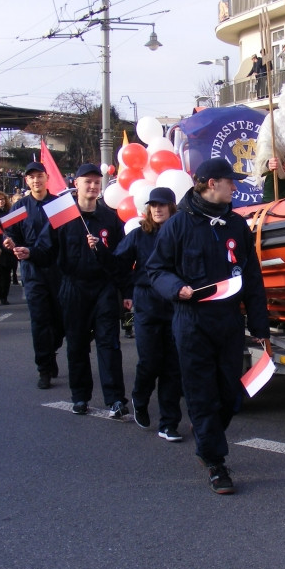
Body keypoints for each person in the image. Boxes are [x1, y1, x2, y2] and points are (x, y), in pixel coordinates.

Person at [147, 157, 271, 495]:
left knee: (230, 394)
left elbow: (253, 278)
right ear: (211, 183)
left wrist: (260, 324)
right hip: (193, 322)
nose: (235, 186)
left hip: (229, 320)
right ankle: (215, 462)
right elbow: (156, 270)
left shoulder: (236, 226)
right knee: (202, 393)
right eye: (230, 181)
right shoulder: (179, 225)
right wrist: (177, 288)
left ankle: (208, 438)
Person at [47, 163, 128, 416]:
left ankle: (115, 399)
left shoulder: (109, 217)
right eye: (87, 182)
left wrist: (126, 292)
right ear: (77, 185)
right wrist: (27, 252)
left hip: (103, 287)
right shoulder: (63, 216)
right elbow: (45, 248)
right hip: (74, 286)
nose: (92, 187)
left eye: (96, 182)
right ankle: (80, 396)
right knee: (77, 344)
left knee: (109, 343)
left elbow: (121, 256)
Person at [114, 186, 183, 440]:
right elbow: (118, 262)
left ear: (172, 207)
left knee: (173, 366)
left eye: (162, 204)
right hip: (146, 303)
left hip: (175, 304)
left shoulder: (180, 233)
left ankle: (169, 423)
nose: (157, 209)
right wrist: (129, 290)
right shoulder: (138, 235)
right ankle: (139, 398)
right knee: (150, 361)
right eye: (153, 204)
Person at [2, 163, 64, 389]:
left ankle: (52, 350)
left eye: (40, 176)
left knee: (59, 321)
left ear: (47, 178)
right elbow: (11, 234)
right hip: (32, 271)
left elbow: (68, 235)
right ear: (26, 181)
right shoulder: (20, 206)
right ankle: (44, 368)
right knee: (40, 321)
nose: (36, 181)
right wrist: (9, 243)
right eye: (31, 178)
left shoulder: (59, 203)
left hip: (58, 271)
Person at [0, 191, 15, 305]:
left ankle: (4, 296)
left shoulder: (9, 213)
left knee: (7, 272)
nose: (1, 202)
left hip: (8, 245)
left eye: (2, 199)